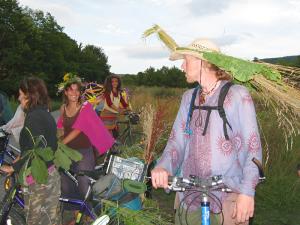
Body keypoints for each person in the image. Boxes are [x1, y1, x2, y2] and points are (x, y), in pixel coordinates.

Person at [151, 39, 262, 225]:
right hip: (189, 193)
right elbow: (176, 141)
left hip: (227, 194)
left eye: (186, 59)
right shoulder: (189, 98)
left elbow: (252, 147)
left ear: (202, 62)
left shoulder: (237, 95)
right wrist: (163, 167)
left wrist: (247, 192)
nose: (181, 66)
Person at [0, 77, 60, 225]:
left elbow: (37, 151)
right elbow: (40, 144)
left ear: (30, 95)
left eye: (21, 94)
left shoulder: (33, 117)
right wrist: (20, 156)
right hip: (50, 173)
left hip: (37, 180)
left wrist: (13, 167)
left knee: (35, 220)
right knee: (51, 219)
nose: (19, 98)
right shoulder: (45, 113)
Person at [57, 73, 114, 223]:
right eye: (71, 90)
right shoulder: (63, 108)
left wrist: (61, 144)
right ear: (66, 92)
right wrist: (57, 142)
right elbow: (61, 128)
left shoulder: (85, 107)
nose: (74, 93)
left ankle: (91, 217)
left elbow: (78, 129)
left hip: (84, 152)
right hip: (67, 153)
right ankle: (77, 216)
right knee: (66, 185)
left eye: (77, 90)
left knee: (84, 184)